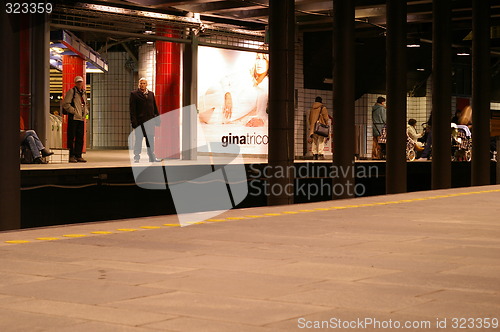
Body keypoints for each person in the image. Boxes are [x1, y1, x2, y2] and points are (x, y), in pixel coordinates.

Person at [198, 52, 269, 127]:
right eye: (258, 58)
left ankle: (188, 109)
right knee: (218, 97)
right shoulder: (246, 74)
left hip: (221, 116)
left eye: (264, 59)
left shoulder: (265, 87)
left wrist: (261, 120)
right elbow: (225, 79)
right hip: (219, 95)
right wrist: (227, 95)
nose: (259, 63)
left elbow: (261, 112)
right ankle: (188, 109)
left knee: (203, 115)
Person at [130, 78, 161, 163]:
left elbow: (155, 107)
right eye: (141, 83)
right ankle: (137, 157)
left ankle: (152, 157)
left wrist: (157, 119)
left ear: (146, 84)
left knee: (150, 140)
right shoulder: (134, 94)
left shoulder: (151, 94)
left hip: (150, 122)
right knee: (138, 140)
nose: (142, 85)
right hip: (140, 122)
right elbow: (132, 110)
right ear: (139, 84)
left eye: (144, 83)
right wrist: (134, 122)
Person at [62, 75, 88, 163]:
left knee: (80, 137)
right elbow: (66, 104)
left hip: (81, 118)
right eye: (78, 82)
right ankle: (71, 155)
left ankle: (78, 155)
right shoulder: (71, 92)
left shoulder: (83, 92)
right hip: (73, 118)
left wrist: (85, 112)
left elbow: (85, 104)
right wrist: (74, 111)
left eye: (81, 82)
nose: (80, 84)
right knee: (71, 137)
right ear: (75, 83)